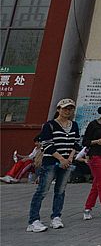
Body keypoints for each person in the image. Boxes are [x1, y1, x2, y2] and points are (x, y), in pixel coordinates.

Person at [26, 99, 81, 232]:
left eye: (70, 109)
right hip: (51, 162)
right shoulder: (49, 125)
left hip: (66, 163)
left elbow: (76, 143)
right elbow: (47, 144)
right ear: (58, 109)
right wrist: (61, 159)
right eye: (64, 108)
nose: (67, 111)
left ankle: (56, 217)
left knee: (60, 191)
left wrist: (70, 158)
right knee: (42, 190)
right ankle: (33, 220)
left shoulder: (74, 125)